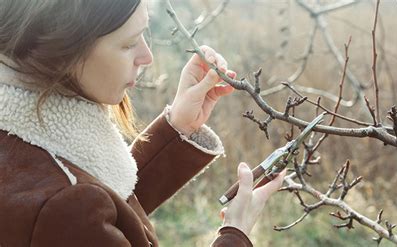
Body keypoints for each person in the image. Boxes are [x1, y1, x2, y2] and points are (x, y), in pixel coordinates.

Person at [0, 0, 286, 246]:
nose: (146, 57)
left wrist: (178, 126)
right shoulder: (62, 206)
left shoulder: (25, 142)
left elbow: (107, 214)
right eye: (128, 44)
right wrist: (235, 233)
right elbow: (79, 210)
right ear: (64, 47)